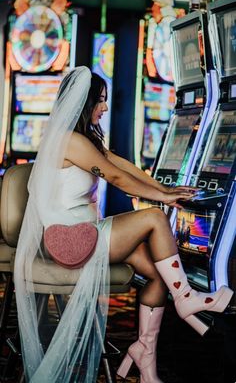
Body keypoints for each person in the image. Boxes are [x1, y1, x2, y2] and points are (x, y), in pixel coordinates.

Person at [14, 66, 233, 383]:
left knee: (157, 277)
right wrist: (162, 199)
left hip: (81, 234)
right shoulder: (69, 141)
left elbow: (122, 165)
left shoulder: (81, 140)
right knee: (154, 218)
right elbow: (115, 177)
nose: (104, 107)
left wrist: (163, 188)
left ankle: (144, 358)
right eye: (100, 101)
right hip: (69, 240)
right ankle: (186, 299)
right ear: (84, 103)